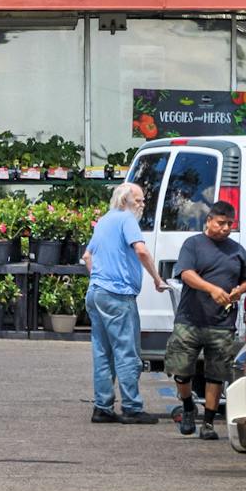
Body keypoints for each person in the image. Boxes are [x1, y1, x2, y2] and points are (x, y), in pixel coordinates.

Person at [165, 200, 246, 439]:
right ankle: (188, 406)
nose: (225, 228)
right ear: (209, 221)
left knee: (216, 374)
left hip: (222, 322)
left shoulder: (237, 250)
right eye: (221, 223)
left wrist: (239, 290)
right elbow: (186, 274)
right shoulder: (193, 244)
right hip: (190, 319)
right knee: (181, 370)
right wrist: (211, 289)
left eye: (229, 224)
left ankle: (209, 424)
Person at [82, 181, 167, 425]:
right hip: (118, 294)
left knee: (102, 353)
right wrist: (157, 278)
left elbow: (88, 256)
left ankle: (103, 406)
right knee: (127, 352)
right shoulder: (126, 219)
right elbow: (140, 251)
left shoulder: (105, 221)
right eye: (138, 200)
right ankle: (131, 407)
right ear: (124, 201)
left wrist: (101, 277)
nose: (142, 205)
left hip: (96, 292)